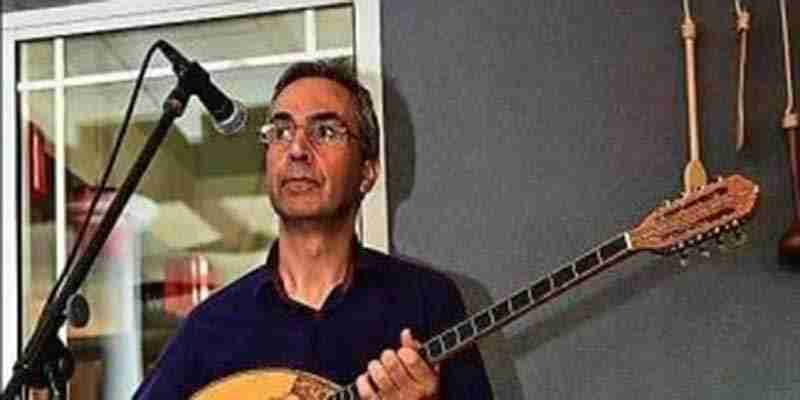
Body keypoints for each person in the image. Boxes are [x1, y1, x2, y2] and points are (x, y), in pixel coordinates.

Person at [133, 59, 493, 399]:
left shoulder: (427, 303)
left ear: (367, 173)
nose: (297, 149)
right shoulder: (212, 327)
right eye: (281, 131)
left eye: (325, 131)